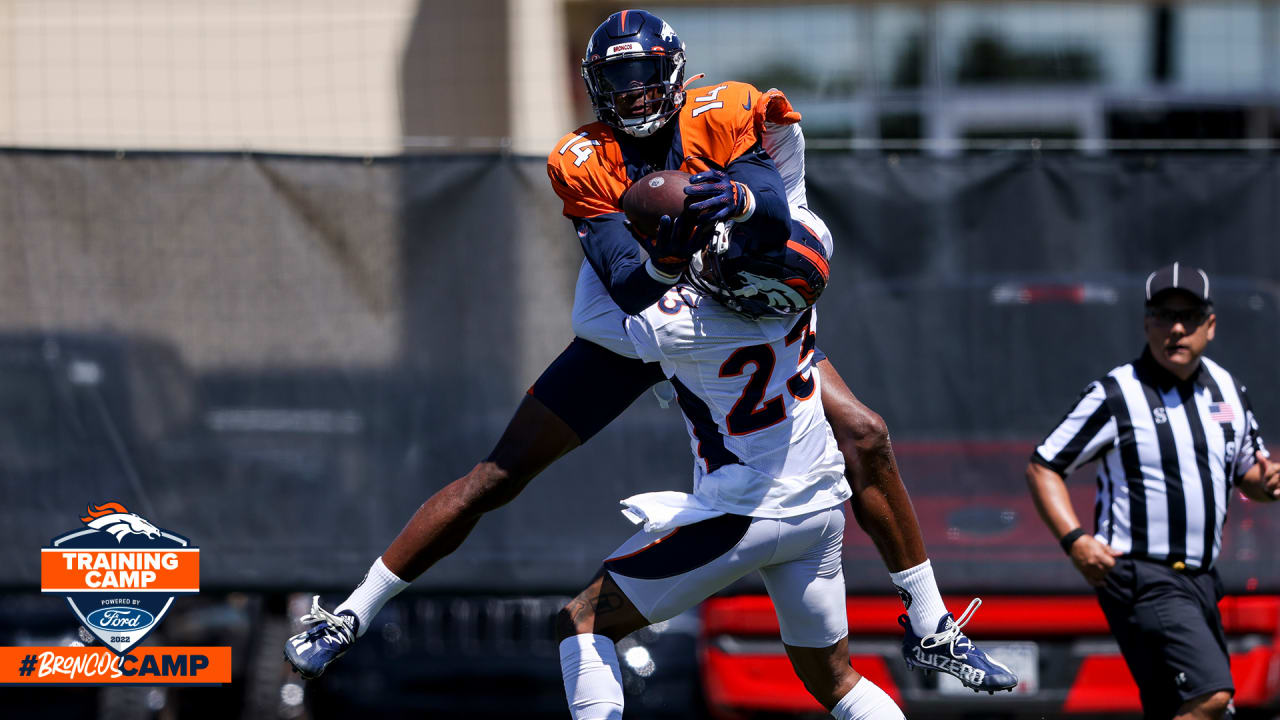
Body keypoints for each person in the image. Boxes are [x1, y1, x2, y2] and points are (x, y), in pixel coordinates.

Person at [286, 9, 1014, 695]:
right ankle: (353, 610)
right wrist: (669, 251)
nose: (634, 94)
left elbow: (768, 204)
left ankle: (931, 625)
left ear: (678, 74)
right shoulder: (585, 159)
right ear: (596, 88)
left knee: (866, 433)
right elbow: (627, 282)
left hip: (726, 299)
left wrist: (734, 204)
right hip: (636, 318)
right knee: (497, 475)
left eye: (647, 75)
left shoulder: (722, 112)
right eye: (619, 80)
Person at [558, 222, 910, 719]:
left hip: (741, 515)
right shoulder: (800, 305)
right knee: (836, 680)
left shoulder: (679, 324)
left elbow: (592, 317)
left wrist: (603, 225)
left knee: (582, 621)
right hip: (820, 513)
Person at [1026, 263, 1279, 720]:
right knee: (1212, 697)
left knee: (1177, 708)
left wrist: (1267, 484)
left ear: (1211, 325)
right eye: (1164, 315)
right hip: (1143, 577)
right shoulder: (1117, 393)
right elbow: (1044, 465)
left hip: (1202, 579)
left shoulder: (1227, 392)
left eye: (1190, 316)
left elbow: (1249, 475)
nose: (1177, 328)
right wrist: (1075, 540)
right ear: (1147, 323)